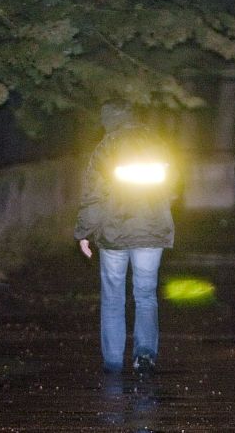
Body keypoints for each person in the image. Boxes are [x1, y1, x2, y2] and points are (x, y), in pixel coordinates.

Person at [75, 100, 176, 375]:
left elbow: (94, 195)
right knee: (145, 294)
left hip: (114, 234)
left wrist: (84, 232)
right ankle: (144, 355)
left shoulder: (107, 147)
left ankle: (113, 360)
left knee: (113, 297)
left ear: (109, 121)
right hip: (151, 232)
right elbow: (173, 187)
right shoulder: (158, 144)